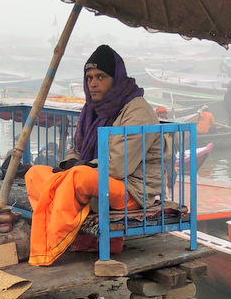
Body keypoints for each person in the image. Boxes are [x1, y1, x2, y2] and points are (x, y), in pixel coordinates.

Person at [24, 45, 162, 267]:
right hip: (98, 182)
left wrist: (80, 166)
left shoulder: (137, 112)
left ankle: (52, 246)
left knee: (78, 176)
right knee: (35, 174)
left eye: (101, 76)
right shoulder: (91, 109)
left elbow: (118, 167)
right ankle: (80, 236)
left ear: (116, 78)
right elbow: (76, 148)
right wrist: (69, 162)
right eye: (89, 78)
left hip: (131, 189)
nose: (93, 83)